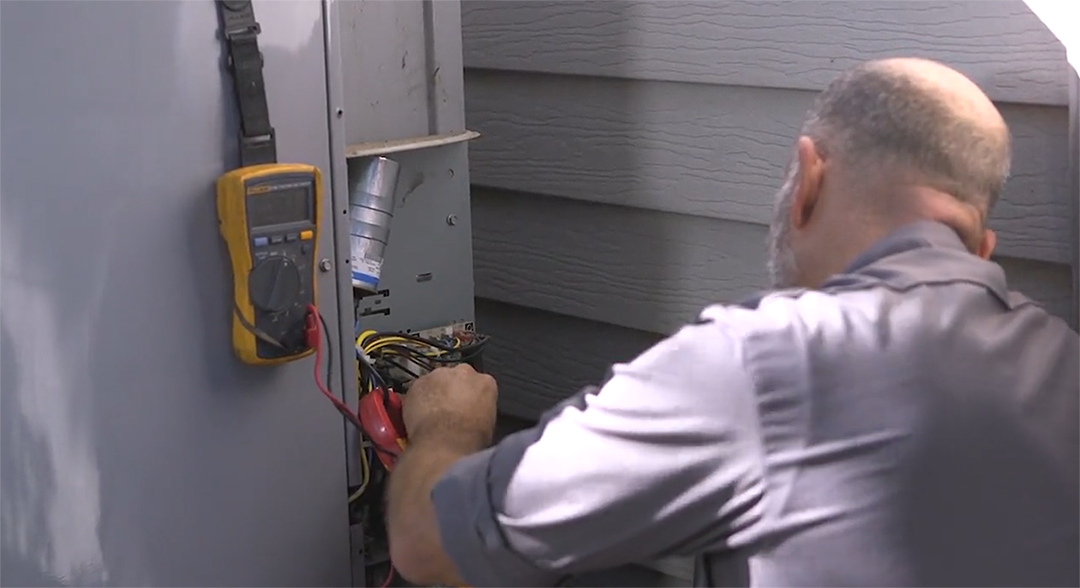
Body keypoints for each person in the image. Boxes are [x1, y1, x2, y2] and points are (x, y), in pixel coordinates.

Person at [384, 58, 1080, 588]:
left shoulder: (769, 362)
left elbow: (426, 541)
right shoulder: (1063, 359)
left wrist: (451, 424)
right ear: (980, 249)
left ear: (809, 182)